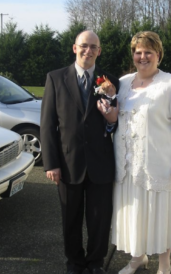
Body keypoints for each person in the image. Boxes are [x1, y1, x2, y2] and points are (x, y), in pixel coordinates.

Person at [111, 31, 171, 274]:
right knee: (136, 213)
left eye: (148, 52)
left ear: (158, 54)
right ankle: (138, 259)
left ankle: (164, 265)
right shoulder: (123, 83)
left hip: (159, 163)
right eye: (138, 52)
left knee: (160, 215)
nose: (143, 56)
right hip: (127, 164)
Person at [40, 30, 119, 274]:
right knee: (70, 219)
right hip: (67, 163)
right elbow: (47, 124)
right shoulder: (55, 78)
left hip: (101, 163)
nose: (88, 50)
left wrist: (110, 119)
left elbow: (116, 122)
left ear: (99, 50)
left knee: (99, 219)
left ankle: (95, 262)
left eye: (93, 47)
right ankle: (74, 262)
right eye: (84, 46)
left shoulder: (109, 80)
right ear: (75, 48)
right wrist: (51, 163)